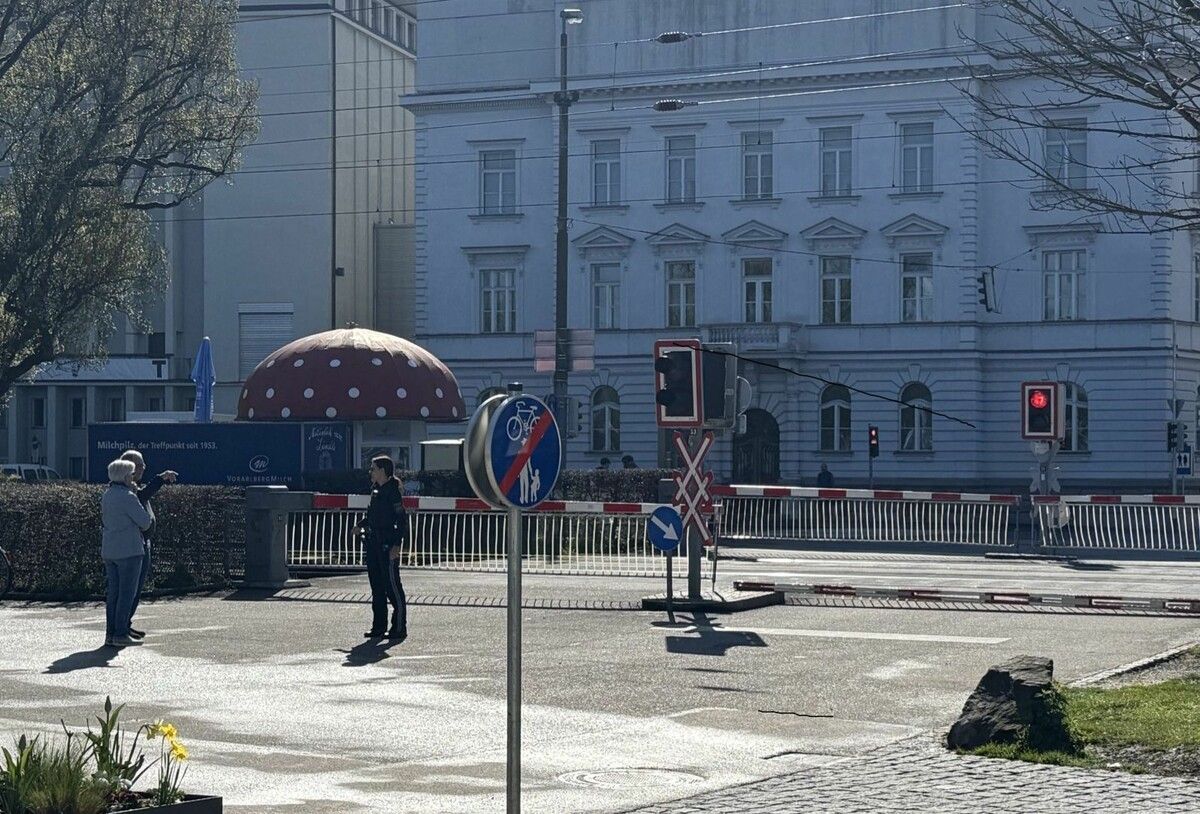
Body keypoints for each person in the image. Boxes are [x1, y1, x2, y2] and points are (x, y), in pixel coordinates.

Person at [120, 450, 177, 641]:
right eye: (140, 464)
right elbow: (143, 496)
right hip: (136, 545)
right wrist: (160, 479)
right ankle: (121, 627)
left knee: (136, 588)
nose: (144, 467)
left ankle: (125, 625)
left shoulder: (133, 487)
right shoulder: (129, 489)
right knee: (131, 589)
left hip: (144, 543)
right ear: (131, 468)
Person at [101, 459, 154, 648]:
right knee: (127, 594)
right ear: (125, 476)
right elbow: (145, 521)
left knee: (113, 594)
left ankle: (111, 633)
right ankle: (121, 633)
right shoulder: (128, 497)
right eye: (131, 474)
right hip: (129, 550)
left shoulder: (107, 495)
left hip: (110, 550)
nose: (134, 478)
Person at [356, 455, 409, 641]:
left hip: (388, 543)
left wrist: (397, 545)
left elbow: (402, 520)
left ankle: (399, 627)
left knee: (392, 587)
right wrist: (360, 525)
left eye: (373, 468)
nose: (371, 472)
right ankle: (378, 627)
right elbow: (372, 516)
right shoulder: (376, 490)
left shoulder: (393, 492)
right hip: (374, 543)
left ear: (383, 471)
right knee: (377, 587)